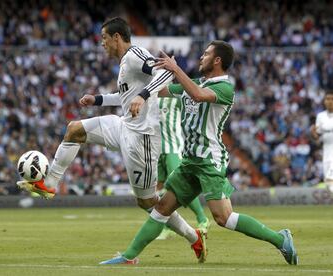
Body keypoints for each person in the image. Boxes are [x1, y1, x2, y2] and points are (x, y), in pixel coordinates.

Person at [17, 17, 206, 262]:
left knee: (149, 202)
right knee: (74, 129)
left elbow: (167, 73)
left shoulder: (136, 55)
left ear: (116, 37)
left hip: (143, 139)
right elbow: (125, 96)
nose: (102, 44)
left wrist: (144, 95)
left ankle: (194, 237)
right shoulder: (126, 62)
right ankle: (51, 183)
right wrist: (97, 100)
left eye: (104, 39)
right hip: (124, 125)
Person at [100, 40, 298, 265]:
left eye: (205, 54)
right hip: (190, 161)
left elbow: (197, 95)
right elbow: (162, 91)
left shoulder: (224, 88)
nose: (200, 57)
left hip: (209, 160)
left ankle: (280, 239)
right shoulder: (196, 83)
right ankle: (129, 257)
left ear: (217, 61)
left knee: (223, 218)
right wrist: (144, 78)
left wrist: (176, 69)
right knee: (163, 207)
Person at [156, 96, 210, 240]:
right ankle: (168, 227)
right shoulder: (150, 98)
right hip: (157, 151)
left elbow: (195, 109)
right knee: (159, 188)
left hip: (173, 149)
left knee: (179, 186)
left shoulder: (176, 99)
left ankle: (202, 218)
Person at [311, 91, 333, 191]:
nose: (330, 101)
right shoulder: (320, 116)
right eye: (327, 99)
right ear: (324, 101)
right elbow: (317, 136)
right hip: (327, 149)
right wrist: (313, 133)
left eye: (332, 99)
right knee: (328, 180)